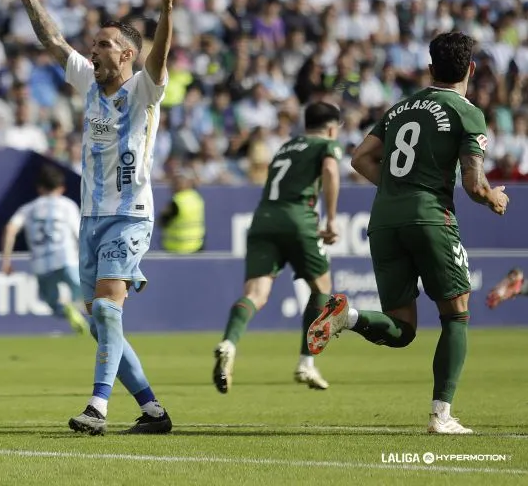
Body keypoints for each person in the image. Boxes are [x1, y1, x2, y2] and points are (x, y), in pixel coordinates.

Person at [307, 32, 509, 435]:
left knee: (402, 329)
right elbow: (472, 183)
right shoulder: (467, 112)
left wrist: (397, 188)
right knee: (456, 316)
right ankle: (441, 416)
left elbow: (359, 157)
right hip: (430, 217)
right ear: (470, 69)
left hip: (383, 220)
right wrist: (492, 197)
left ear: (430, 68)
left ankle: (349, 316)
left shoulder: (401, 107)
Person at [9, 0, 178, 436]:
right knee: (102, 325)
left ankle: (97, 408)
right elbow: (52, 40)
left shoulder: (145, 90)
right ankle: (152, 412)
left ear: (126, 55)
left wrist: (167, 9)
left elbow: (160, 55)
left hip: (129, 217)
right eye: (95, 44)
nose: (94, 49)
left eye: (104, 44)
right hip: (90, 219)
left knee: (107, 310)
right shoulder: (88, 82)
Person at [213, 102, 343, 394]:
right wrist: (332, 219)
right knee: (322, 288)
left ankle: (229, 342)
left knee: (255, 294)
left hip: (262, 220)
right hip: (298, 219)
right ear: (333, 128)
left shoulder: (286, 147)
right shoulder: (327, 145)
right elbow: (332, 172)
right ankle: (306, 362)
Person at [0, 165, 88, 335]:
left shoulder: (28, 209)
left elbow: (9, 229)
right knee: (85, 295)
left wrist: (6, 261)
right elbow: (79, 234)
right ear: (62, 188)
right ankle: (80, 311)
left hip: (41, 264)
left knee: (54, 306)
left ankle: (66, 309)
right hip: (66, 258)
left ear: (40, 188)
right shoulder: (67, 205)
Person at [160, 171, 205, 254]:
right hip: (196, 245)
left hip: (177, 247)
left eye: (175, 184)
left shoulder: (177, 202)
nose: (172, 187)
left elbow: (162, 222)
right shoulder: (196, 197)